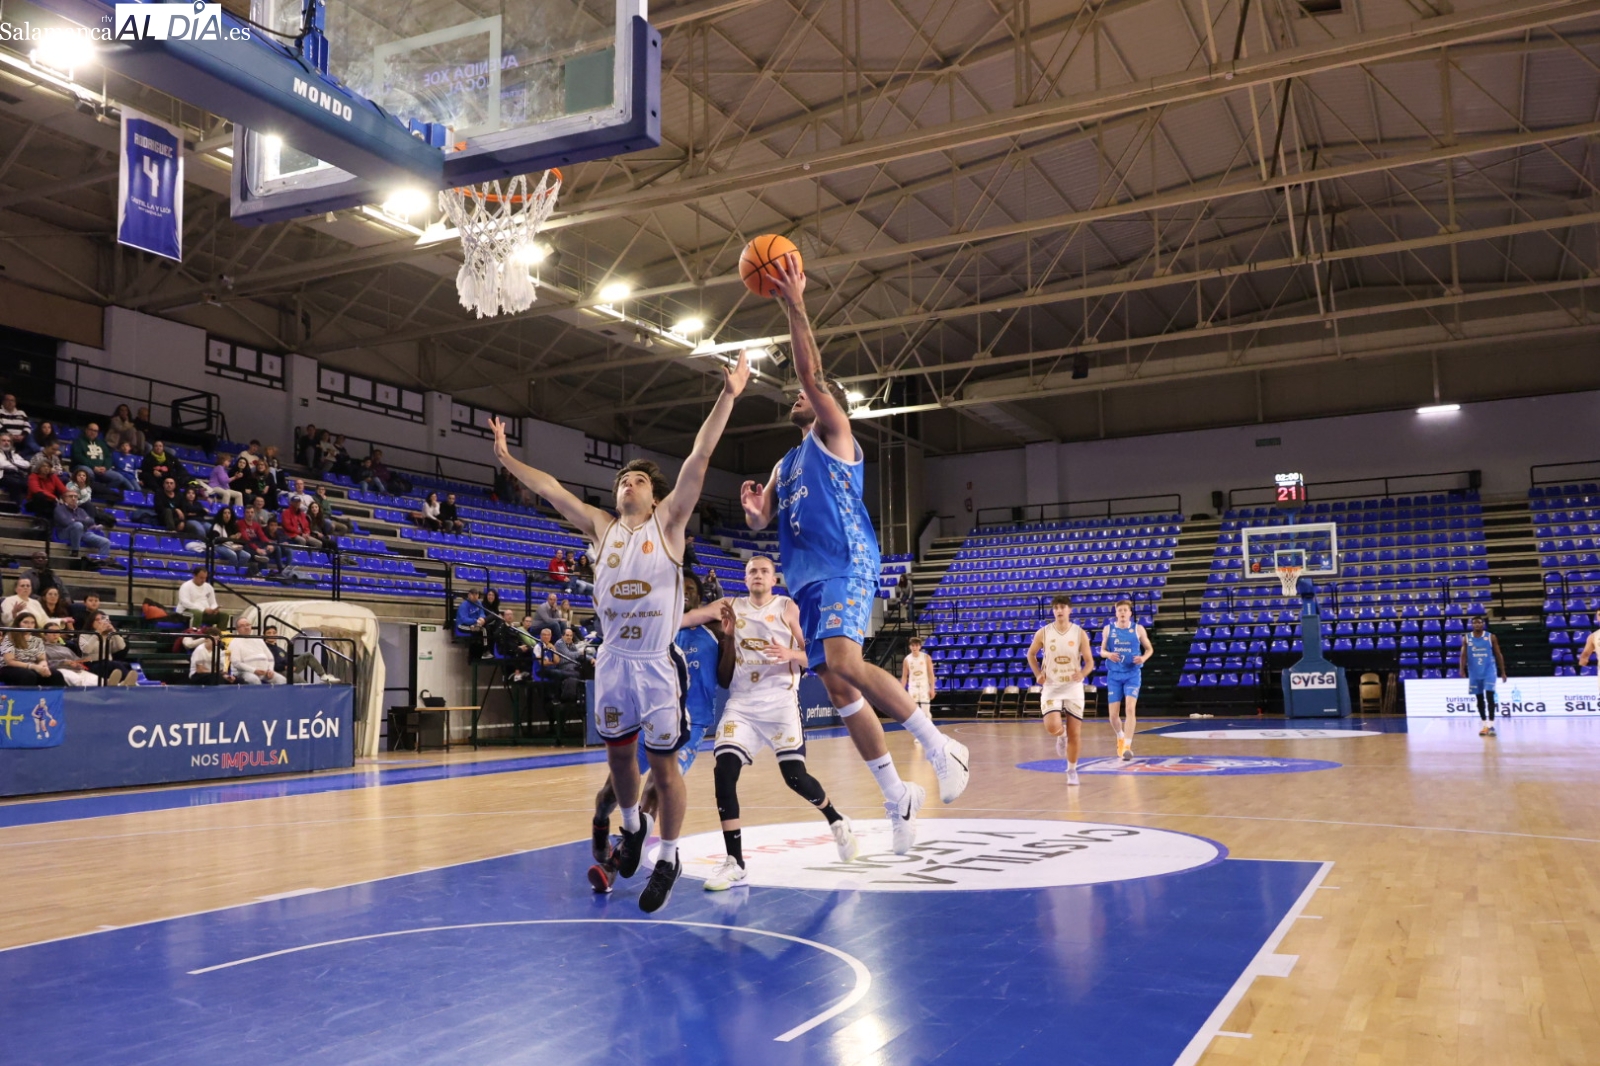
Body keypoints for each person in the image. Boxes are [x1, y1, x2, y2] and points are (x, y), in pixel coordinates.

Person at [490, 350, 748, 914]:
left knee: (661, 766)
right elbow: (553, 488)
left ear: (653, 494)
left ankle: (670, 855)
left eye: (637, 479)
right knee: (618, 762)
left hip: (656, 661)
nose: (628, 483)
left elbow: (701, 455)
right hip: (612, 661)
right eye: (622, 480)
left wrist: (728, 395)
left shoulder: (670, 520)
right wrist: (507, 458)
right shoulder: (601, 527)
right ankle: (630, 828)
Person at [740, 255, 968, 852]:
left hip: (848, 565)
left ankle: (939, 746)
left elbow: (814, 378)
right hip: (807, 581)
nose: (798, 395)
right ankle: (898, 798)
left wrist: (794, 303)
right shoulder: (783, 464)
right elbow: (765, 516)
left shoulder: (834, 435)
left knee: (844, 663)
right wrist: (753, 511)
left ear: (827, 404)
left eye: (807, 393)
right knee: (840, 690)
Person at [702, 557, 858, 891]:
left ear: (774, 578)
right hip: (742, 705)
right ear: (744, 579)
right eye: (751, 571)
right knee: (723, 771)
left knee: (795, 778)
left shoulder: (788, 607)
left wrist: (792, 656)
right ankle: (735, 862)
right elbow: (688, 617)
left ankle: (835, 818)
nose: (757, 575)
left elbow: (815, 655)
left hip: (781, 704)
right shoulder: (731, 607)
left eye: (763, 571)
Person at [588, 575, 728, 893]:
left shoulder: (713, 629)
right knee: (612, 791)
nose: (688, 596)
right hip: (647, 715)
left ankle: (615, 862)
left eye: (693, 591)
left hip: (691, 724)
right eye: (683, 591)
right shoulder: (658, 628)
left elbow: (726, 676)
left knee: (657, 786)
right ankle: (599, 822)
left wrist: (729, 632)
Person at [1027, 595, 1095, 785]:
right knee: (1051, 726)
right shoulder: (1044, 632)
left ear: (1069, 610)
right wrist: (1038, 673)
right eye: (1056, 607)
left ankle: (1072, 770)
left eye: (1062, 607)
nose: (1059, 610)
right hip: (1052, 686)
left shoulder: (1079, 633)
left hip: (1073, 687)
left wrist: (1082, 673)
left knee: (1076, 733)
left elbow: (1089, 662)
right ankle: (1060, 734)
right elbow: (1031, 654)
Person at [1100, 598, 1153, 761]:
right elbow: (1102, 651)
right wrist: (1109, 654)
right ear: (1116, 613)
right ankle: (1120, 736)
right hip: (1114, 675)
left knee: (1130, 709)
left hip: (1132, 674)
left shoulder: (1138, 629)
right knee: (1113, 716)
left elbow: (1149, 649)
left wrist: (1143, 658)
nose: (1122, 613)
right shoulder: (1108, 629)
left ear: (1130, 613)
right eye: (1119, 610)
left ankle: (1127, 746)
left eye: (1125, 610)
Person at [1460, 614, 1508, 737]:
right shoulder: (1466, 638)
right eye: (1475, 622)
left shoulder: (1491, 637)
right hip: (1474, 672)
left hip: (1489, 671)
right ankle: (1484, 725)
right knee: (1479, 699)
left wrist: (1503, 671)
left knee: (1490, 696)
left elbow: (1498, 654)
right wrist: (1462, 669)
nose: (1477, 624)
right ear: (1472, 625)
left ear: (1483, 624)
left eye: (1479, 622)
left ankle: (1491, 725)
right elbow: (1463, 655)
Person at [69, 422, 137, 494]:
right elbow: (78, 457)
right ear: (86, 430)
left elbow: (108, 457)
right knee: (89, 473)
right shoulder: (78, 442)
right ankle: (88, 492)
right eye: (91, 430)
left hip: (101, 469)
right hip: (84, 467)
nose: (93, 432)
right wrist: (93, 467)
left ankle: (103, 492)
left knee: (118, 478)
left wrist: (105, 467)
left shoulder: (101, 443)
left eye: (95, 431)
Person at [0, 614, 66, 686]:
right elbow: (10, 661)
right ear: (18, 624)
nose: (29, 625)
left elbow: (42, 659)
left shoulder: (37, 640)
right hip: (9, 668)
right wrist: (33, 667)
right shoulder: (9, 638)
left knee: (56, 674)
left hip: (33, 667)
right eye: (26, 622)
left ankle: (54, 697)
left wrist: (44, 667)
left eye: (32, 623)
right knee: (29, 675)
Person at [78, 611, 137, 685]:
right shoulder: (84, 635)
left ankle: (123, 683)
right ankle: (129, 684)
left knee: (123, 665)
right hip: (92, 664)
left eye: (102, 619)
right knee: (115, 665)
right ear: (91, 622)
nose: (100, 622)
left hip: (108, 663)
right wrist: (97, 633)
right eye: (97, 620)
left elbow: (122, 646)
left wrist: (113, 631)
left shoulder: (109, 635)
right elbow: (86, 650)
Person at [54, 486, 111, 558]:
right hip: (65, 533)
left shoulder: (81, 510)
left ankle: (100, 562)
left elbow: (91, 521)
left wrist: (75, 519)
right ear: (65, 499)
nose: (73, 498)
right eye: (70, 496)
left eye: (75, 497)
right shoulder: (59, 509)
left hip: (83, 532)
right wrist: (83, 520)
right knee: (78, 525)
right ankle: (75, 552)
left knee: (106, 542)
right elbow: (66, 522)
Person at [229, 617, 286, 685]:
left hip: (265, 672)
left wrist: (270, 670)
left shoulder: (258, 639)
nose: (246, 627)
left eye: (248, 625)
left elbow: (270, 658)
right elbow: (236, 663)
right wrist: (254, 670)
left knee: (281, 680)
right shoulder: (235, 642)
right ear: (237, 629)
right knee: (254, 680)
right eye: (242, 626)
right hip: (245, 672)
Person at [40, 622, 98, 687]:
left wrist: (79, 664)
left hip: (75, 670)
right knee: (79, 681)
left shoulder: (66, 649)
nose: (55, 634)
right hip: (60, 670)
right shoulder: (42, 649)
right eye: (51, 632)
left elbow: (77, 660)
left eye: (57, 632)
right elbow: (45, 664)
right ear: (45, 635)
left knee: (99, 680)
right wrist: (63, 662)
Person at [901, 635, 937, 719]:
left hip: (924, 686)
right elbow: (904, 677)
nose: (914, 648)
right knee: (914, 712)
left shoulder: (926, 657)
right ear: (910, 646)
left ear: (920, 646)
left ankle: (928, 730)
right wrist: (901, 690)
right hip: (913, 687)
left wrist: (932, 689)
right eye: (912, 645)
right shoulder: (907, 659)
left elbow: (931, 674)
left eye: (916, 645)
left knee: (926, 711)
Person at [455, 588, 490, 655]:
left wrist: (481, 618)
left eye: (476, 594)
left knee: (486, 627)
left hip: (475, 623)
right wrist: (475, 621)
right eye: (472, 594)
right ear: (469, 595)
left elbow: (482, 613)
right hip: (462, 625)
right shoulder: (464, 605)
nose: (474, 596)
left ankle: (479, 651)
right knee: (482, 629)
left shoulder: (479, 603)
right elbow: (464, 619)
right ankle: (485, 651)